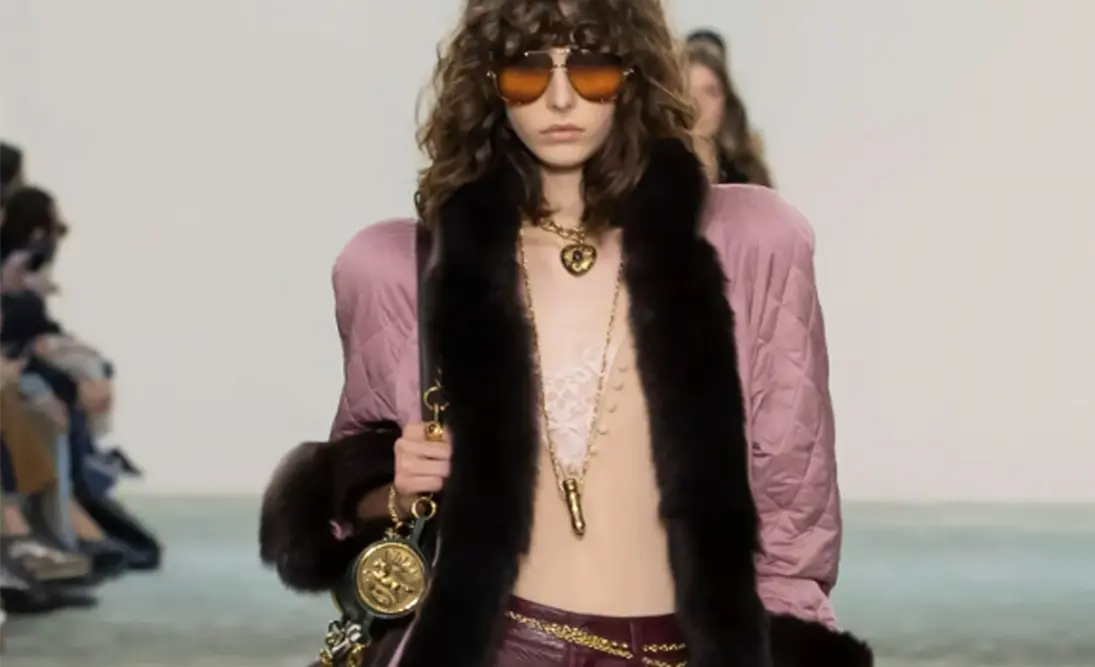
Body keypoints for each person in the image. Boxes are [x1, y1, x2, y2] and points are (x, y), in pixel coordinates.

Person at [260, 2, 870, 666]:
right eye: (527, 73)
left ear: (632, 76)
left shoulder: (752, 241)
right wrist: (397, 489)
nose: (559, 99)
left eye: (590, 69)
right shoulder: (399, 270)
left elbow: (793, 512)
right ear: (490, 83)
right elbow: (344, 511)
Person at [685, 42, 773, 186]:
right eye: (688, 92)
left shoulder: (746, 174)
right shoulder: (654, 172)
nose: (699, 104)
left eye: (710, 92)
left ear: (726, 101)